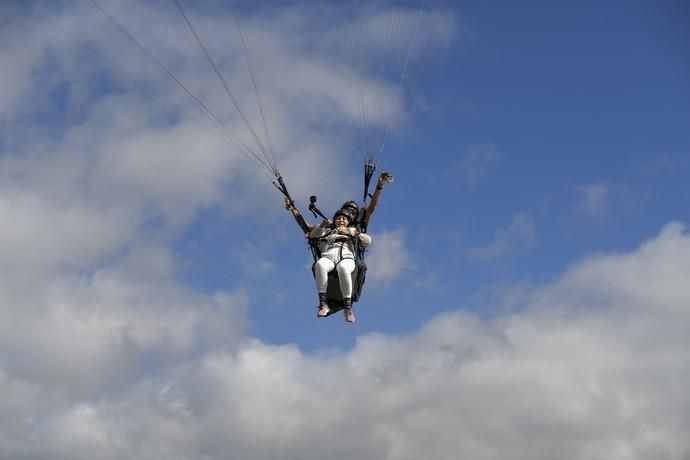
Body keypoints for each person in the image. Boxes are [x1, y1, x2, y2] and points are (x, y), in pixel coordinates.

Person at [310, 207, 372, 323]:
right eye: (338, 219)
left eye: (343, 219)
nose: (341, 220)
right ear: (334, 221)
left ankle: (348, 308)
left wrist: (351, 232)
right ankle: (323, 304)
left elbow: (367, 241)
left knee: (343, 268)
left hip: (346, 257)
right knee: (320, 265)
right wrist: (322, 225)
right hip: (329, 255)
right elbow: (313, 236)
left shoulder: (353, 231)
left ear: (348, 221)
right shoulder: (327, 231)